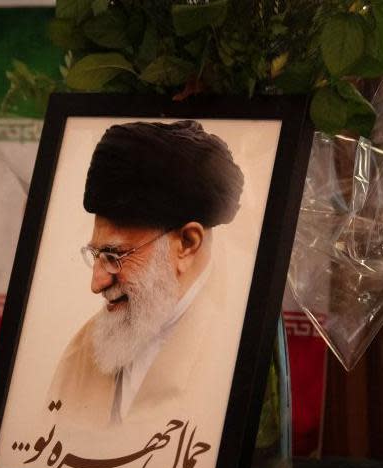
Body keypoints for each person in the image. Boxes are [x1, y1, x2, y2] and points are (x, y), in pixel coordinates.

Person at [47, 120, 246, 430]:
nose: (96, 283)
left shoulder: (236, 349)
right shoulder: (83, 354)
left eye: (115, 256)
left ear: (186, 243)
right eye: (96, 255)